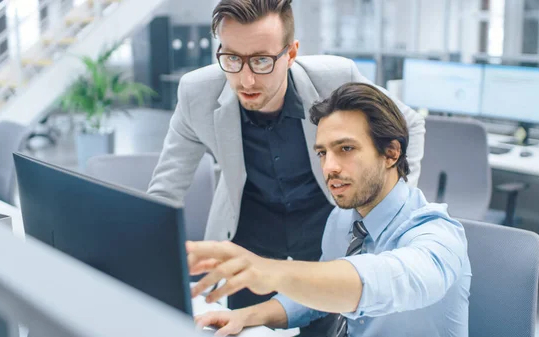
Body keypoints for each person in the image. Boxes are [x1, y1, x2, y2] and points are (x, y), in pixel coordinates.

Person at [147, 0, 425, 310]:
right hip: (249, 247)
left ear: (290, 54)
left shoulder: (336, 78)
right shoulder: (196, 93)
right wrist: (144, 259)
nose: (246, 79)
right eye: (232, 58)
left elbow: (408, 123)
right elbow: (165, 189)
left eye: (262, 61)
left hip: (327, 238)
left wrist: (393, 207)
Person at [187, 82, 471, 337]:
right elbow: (320, 294)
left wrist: (269, 271)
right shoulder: (342, 218)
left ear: (391, 153)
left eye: (345, 149)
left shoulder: (437, 235)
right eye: (323, 153)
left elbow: (382, 280)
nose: (329, 167)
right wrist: (247, 315)